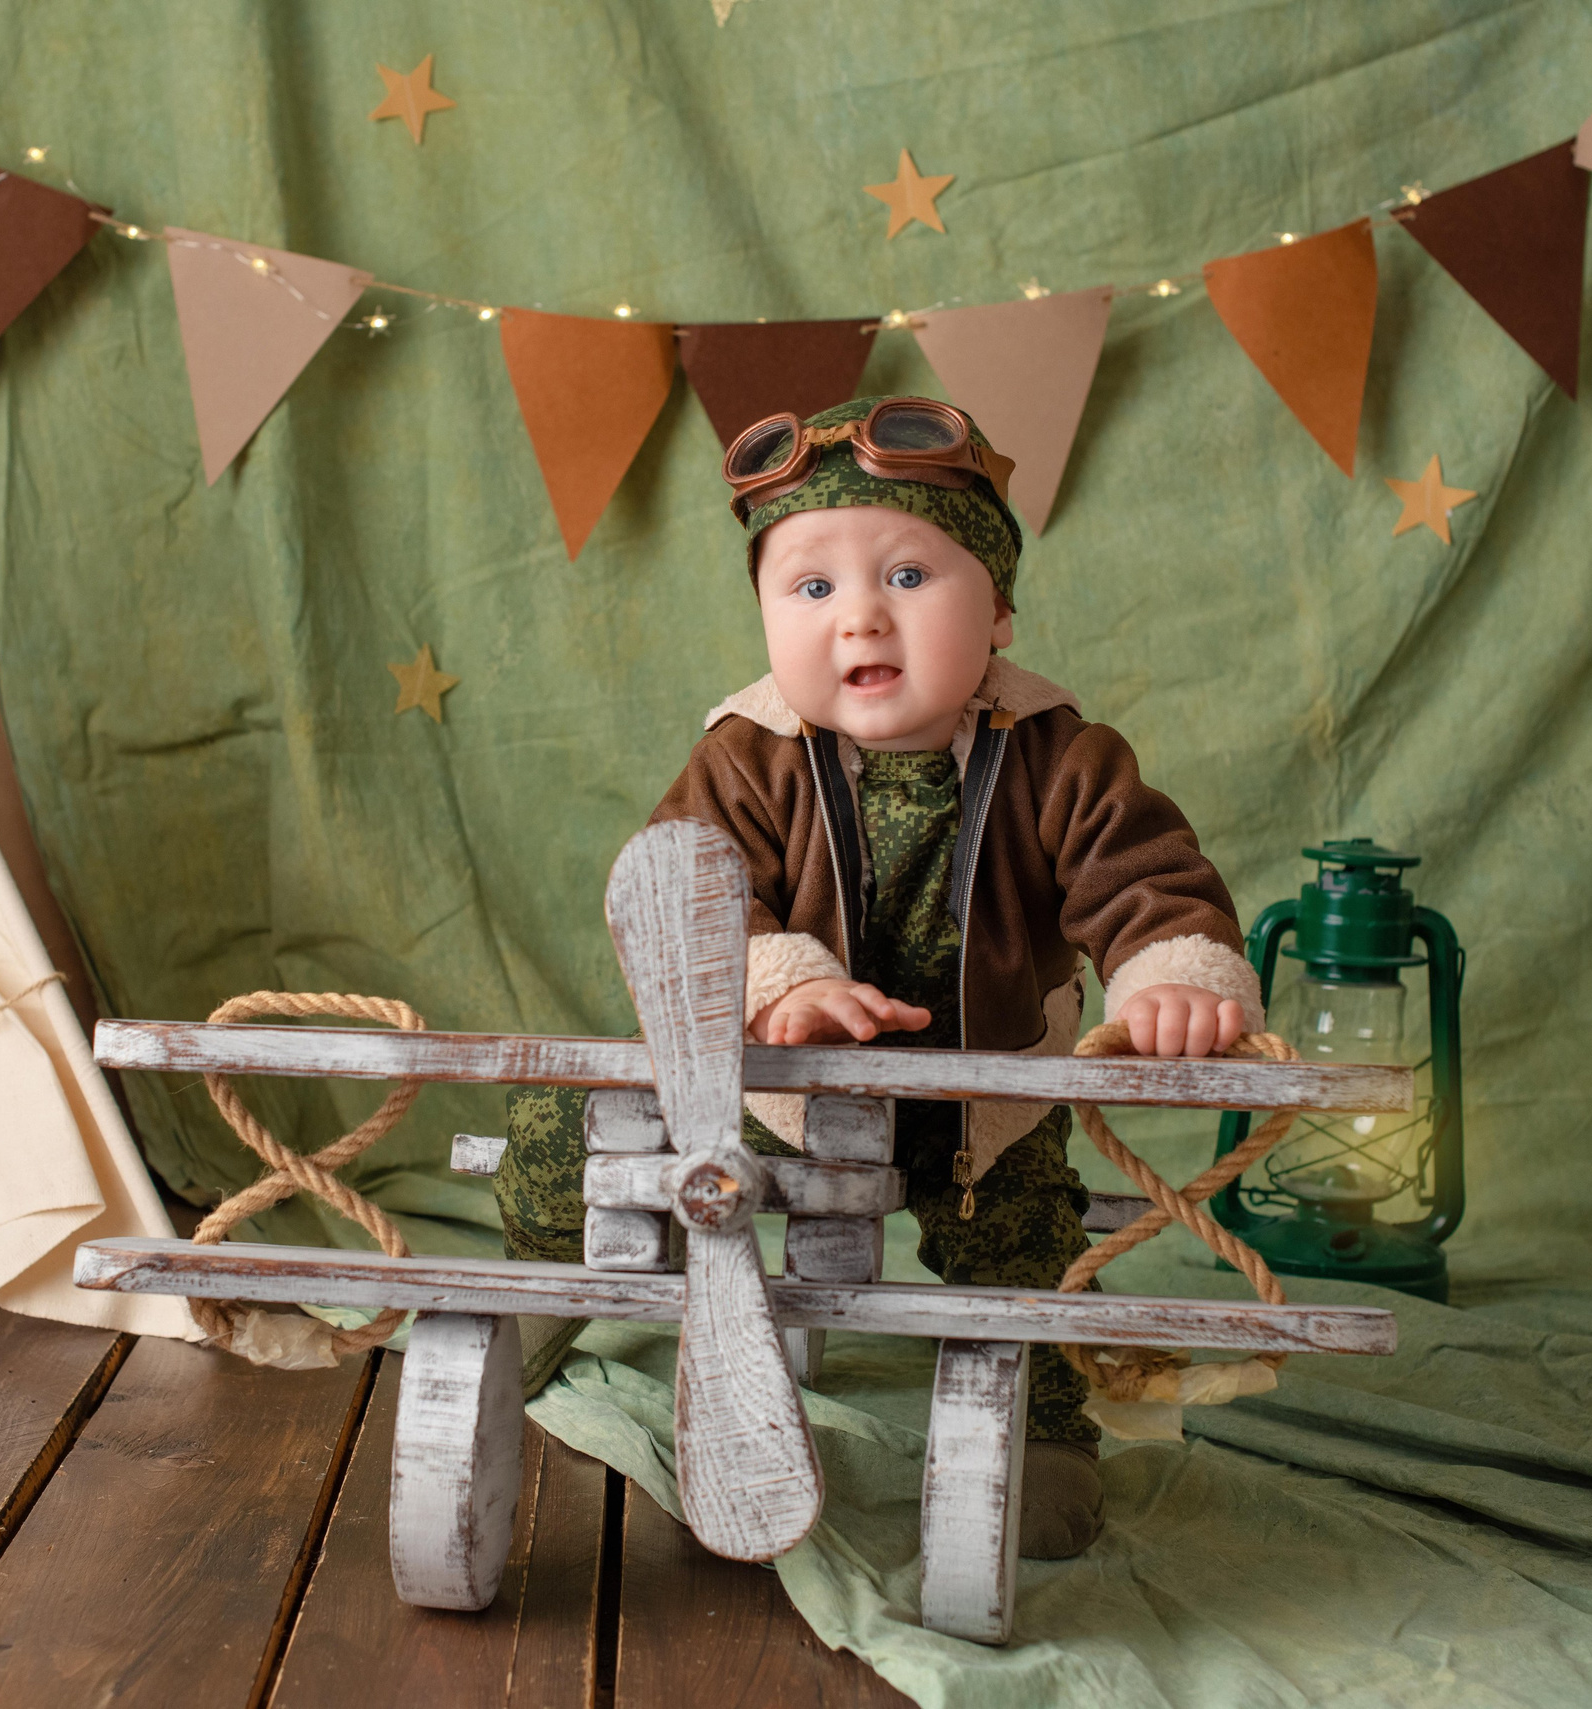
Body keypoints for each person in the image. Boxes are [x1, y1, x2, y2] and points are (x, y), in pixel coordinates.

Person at [497, 395, 1261, 1559]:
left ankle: (1045, 1427)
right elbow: (679, 897)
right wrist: (779, 983)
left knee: (1026, 1249)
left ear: (997, 607)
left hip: (980, 1103)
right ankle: (542, 1287)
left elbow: (1141, 874)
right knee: (573, 1135)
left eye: (908, 575)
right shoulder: (745, 756)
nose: (859, 615)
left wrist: (1166, 970)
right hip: (771, 1088)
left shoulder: (1059, 756)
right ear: (764, 614)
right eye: (811, 587)